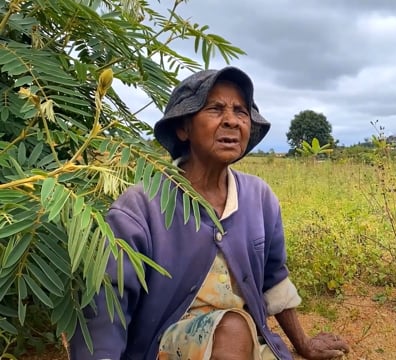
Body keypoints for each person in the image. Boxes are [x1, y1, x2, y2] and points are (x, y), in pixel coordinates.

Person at [70, 67, 350, 360]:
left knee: (238, 332)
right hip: (163, 346)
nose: (231, 120)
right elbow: (106, 303)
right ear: (184, 128)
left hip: (242, 346)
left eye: (241, 111)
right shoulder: (141, 206)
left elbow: (273, 278)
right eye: (215, 108)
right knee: (231, 329)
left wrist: (304, 343)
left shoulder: (259, 197)